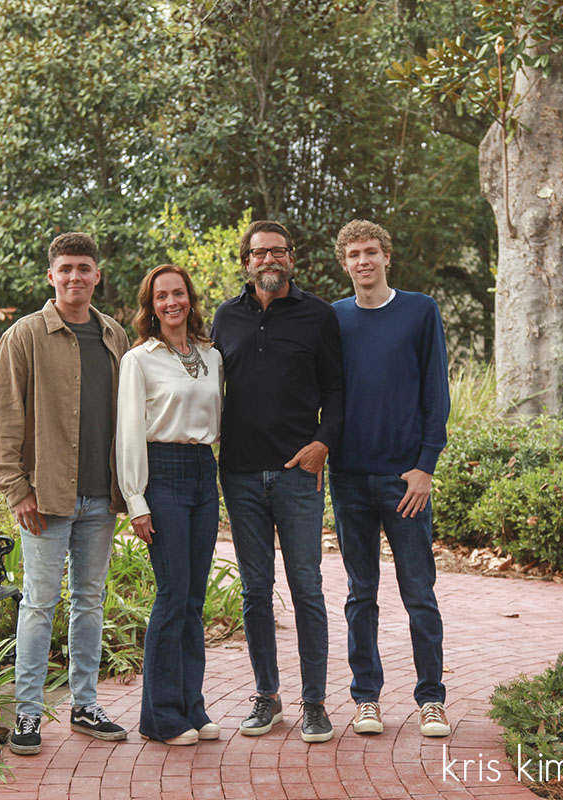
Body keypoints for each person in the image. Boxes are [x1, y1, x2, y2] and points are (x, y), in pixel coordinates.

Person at [0, 232, 130, 755]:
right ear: (51, 276)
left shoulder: (114, 335)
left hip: (100, 498)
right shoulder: (25, 336)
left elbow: (131, 418)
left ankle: (85, 704)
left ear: (96, 275)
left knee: (90, 602)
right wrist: (16, 490)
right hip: (44, 499)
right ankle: (27, 714)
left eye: (84, 268)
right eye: (65, 268)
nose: (74, 277)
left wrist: (130, 489)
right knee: (40, 604)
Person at [210, 220, 344, 743]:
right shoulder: (225, 317)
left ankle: (315, 703)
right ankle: (266, 696)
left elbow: (337, 390)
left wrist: (323, 443)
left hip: (297, 474)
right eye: (259, 253)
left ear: (293, 258)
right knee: (254, 590)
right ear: (245, 261)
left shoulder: (319, 316)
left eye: (278, 252)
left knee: (307, 587)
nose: (269, 260)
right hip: (239, 474)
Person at [329, 219, 452, 738]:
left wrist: (426, 466)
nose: (364, 261)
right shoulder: (333, 319)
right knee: (361, 593)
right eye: (354, 254)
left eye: (371, 251)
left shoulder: (420, 311)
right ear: (344, 263)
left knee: (418, 592)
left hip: (406, 480)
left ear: (386, 257)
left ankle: (431, 699)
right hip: (349, 478)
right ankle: (366, 699)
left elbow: (436, 395)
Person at [115, 264, 224, 746]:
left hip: (204, 472)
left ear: (190, 299)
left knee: (194, 601)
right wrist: (137, 500)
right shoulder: (139, 359)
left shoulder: (211, 355)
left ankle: (192, 708)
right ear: (151, 305)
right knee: (172, 594)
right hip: (163, 476)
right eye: (161, 296)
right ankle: (161, 717)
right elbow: (129, 434)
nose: (171, 302)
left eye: (178, 293)